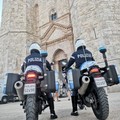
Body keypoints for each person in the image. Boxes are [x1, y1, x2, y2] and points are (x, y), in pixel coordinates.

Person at [21, 43, 58, 119]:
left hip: (28, 78)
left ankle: (24, 101)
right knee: (48, 94)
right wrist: (49, 69)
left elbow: (22, 68)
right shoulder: (42, 58)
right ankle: (52, 113)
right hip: (39, 79)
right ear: (38, 50)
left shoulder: (27, 58)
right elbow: (48, 67)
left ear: (31, 50)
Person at [65, 39, 95, 116]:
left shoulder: (75, 54)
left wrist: (66, 68)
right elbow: (93, 61)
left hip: (82, 74)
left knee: (74, 89)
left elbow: (69, 64)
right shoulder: (89, 52)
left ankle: (75, 110)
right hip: (92, 72)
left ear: (77, 46)